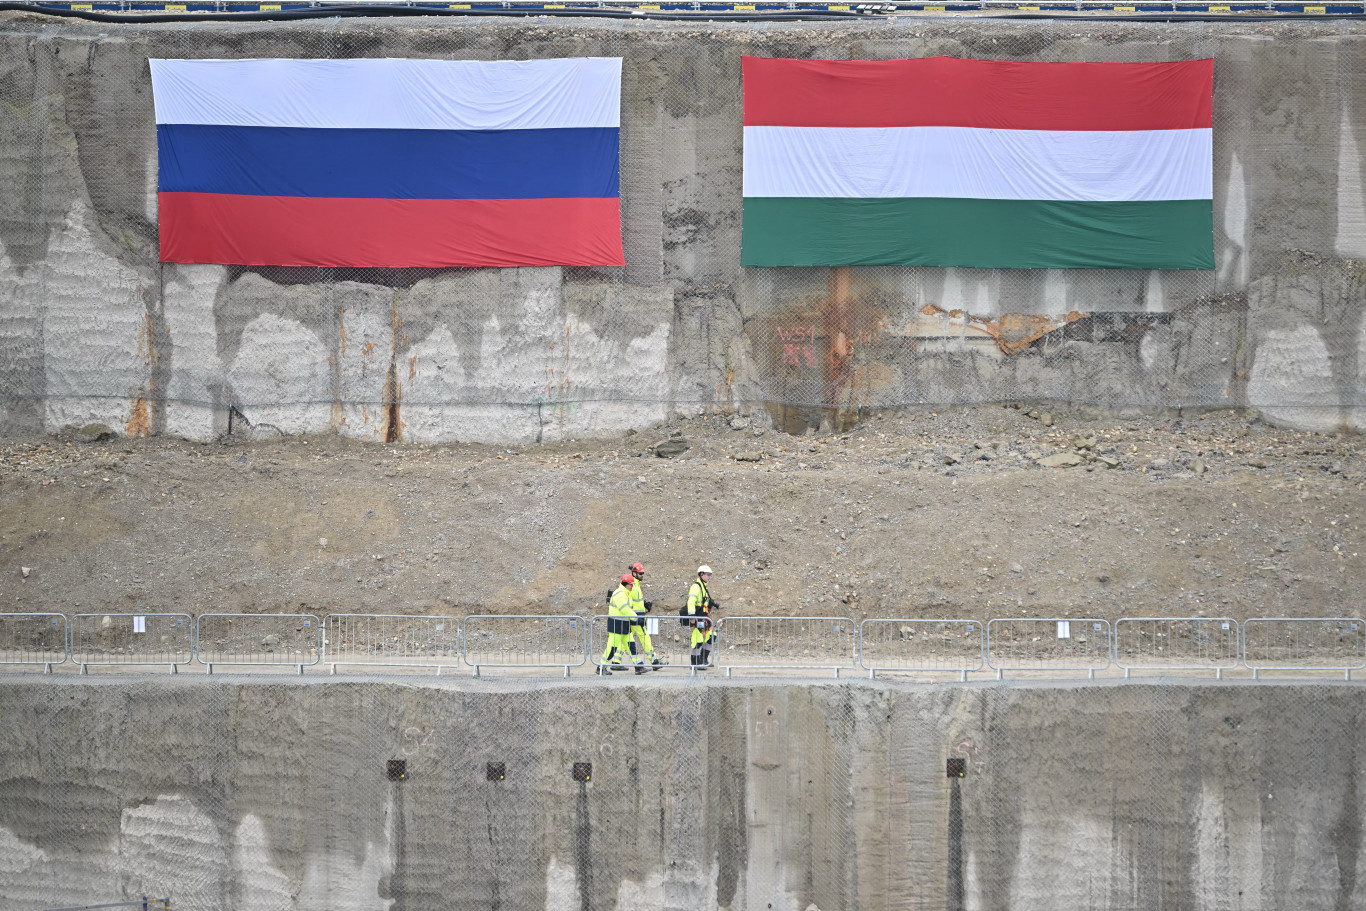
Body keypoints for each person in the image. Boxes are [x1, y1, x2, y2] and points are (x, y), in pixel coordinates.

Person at [600, 574, 646, 676]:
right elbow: (625, 609)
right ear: (626, 584)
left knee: (631, 646)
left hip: (624, 624)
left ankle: (639, 666)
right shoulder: (620, 594)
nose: (632, 586)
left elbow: (629, 609)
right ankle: (601, 667)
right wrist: (636, 619)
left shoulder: (626, 593)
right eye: (631, 585)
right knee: (612, 648)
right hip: (616, 625)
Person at [626, 561, 664, 669]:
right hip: (636, 617)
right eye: (640, 573)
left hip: (636, 616)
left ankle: (616, 661)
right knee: (645, 638)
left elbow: (635, 601)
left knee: (625, 638)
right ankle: (654, 661)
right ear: (634, 573)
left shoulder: (636, 585)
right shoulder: (633, 586)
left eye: (643, 573)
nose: (642, 575)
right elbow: (629, 602)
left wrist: (644, 604)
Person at [685, 564, 719, 668]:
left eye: (710, 575)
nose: (710, 577)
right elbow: (691, 601)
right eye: (708, 575)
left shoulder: (703, 587)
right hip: (698, 617)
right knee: (697, 640)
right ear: (701, 574)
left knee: (712, 635)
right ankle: (695, 662)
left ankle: (703, 658)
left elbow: (702, 602)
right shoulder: (696, 587)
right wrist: (692, 616)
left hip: (704, 617)